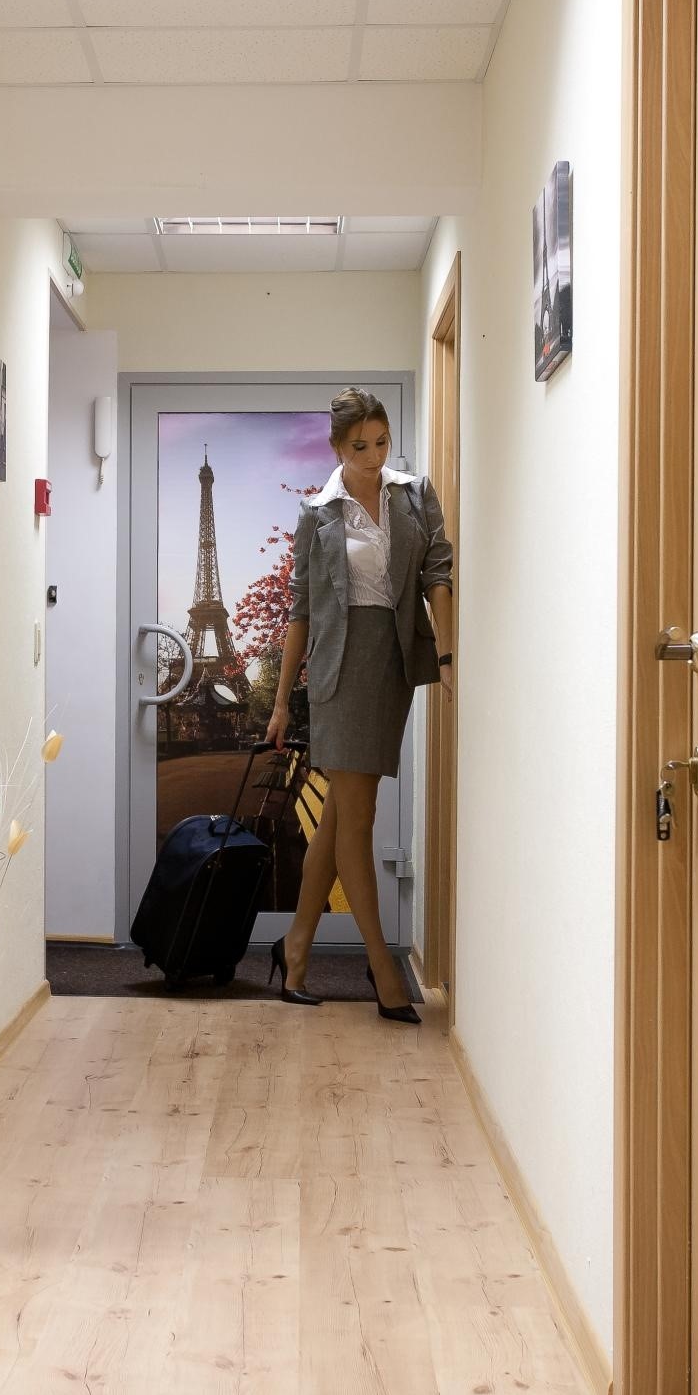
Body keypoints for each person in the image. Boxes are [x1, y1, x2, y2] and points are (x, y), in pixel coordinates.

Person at [265, 388, 454, 1021]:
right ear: (337, 447)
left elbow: (437, 574)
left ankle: (295, 948)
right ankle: (382, 967)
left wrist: (447, 656)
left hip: (391, 665)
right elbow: (299, 611)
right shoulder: (317, 514)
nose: (374, 456)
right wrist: (281, 702)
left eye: (382, 442)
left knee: (342, 816)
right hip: (340, 671)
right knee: (359, 819)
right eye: (360, 446)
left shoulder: (414, 494)